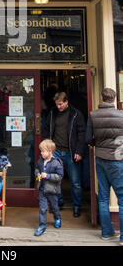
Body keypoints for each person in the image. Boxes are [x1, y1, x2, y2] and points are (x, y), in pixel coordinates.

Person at [86, 87, 123, 244]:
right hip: (117, 159)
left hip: (100, 158)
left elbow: (88, 138)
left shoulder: (93, 115)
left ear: (101, 98)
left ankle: (106, 232)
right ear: (114, 99)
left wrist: (98, 145)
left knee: (103, 197)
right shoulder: (121, 116)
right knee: (121, 198)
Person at [42, 91, 86, 217]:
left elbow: (81, 134)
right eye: (57, 104)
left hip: (71, 152)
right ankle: (58, 202)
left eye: (61, 104)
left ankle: (76, 206)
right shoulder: (52, 113)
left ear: (66, 102)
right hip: (55, 152)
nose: (59, 107)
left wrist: (79, 151)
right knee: (55, 180)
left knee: (75, 182)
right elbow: (46, 130)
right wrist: (47, 147)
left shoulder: (76, 114)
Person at [34, 139, 63, 236]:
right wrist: (38, 174)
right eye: (41, 151)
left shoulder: (56, 163)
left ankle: (57, 217)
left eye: (43, 151)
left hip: (52, 190)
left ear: (50, 151)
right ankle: (42, 225)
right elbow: (37, 168)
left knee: (54, 207)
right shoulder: (40, 161)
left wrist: (48, 176)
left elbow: (59, 176)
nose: (41, 153)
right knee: (43, 208)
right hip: (42, 189)